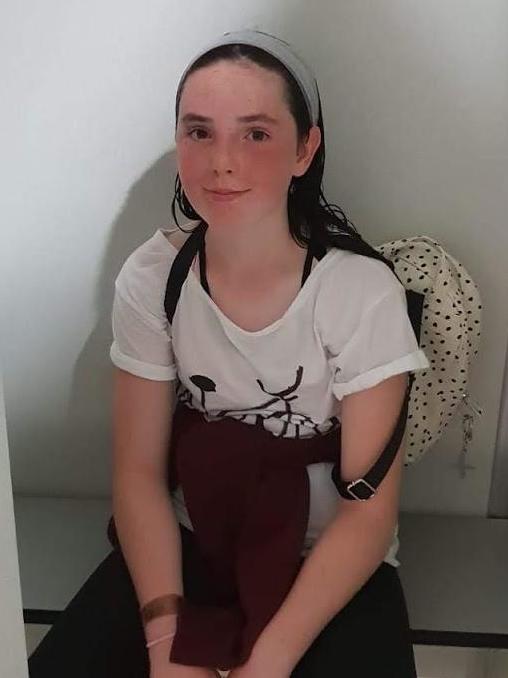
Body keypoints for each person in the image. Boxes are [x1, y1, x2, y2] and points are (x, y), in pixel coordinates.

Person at [29, 28, 430, 678]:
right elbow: (137, 476)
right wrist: (167, 644)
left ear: (305, 149)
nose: (222, 161)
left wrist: (267, 662)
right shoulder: (154, 277)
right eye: (199, 131)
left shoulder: (359, 293)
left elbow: (367, 514)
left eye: (256, 133)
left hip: (325, 557)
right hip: (194, 536)